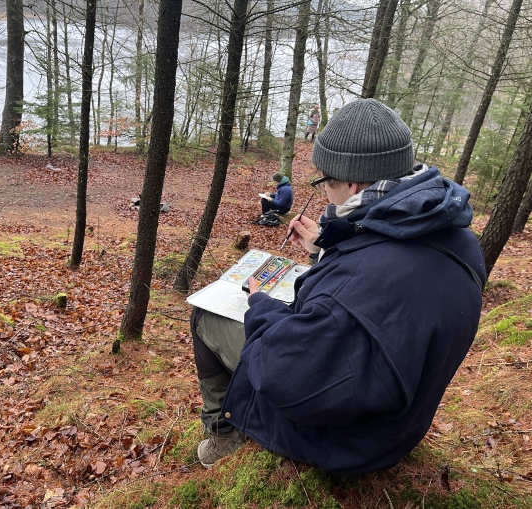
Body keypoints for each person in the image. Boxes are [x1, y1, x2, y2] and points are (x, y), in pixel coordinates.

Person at [190, 98, 486, 474]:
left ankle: (223, 434)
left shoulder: (353, 284)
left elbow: (282, 374)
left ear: (350, 182)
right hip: (402, 416)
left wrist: (260, 304)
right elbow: (386, 285)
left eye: (325, 182)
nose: (325, 194)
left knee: (206, 316)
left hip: (350, 441)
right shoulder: (457, 237)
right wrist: (324, 249)